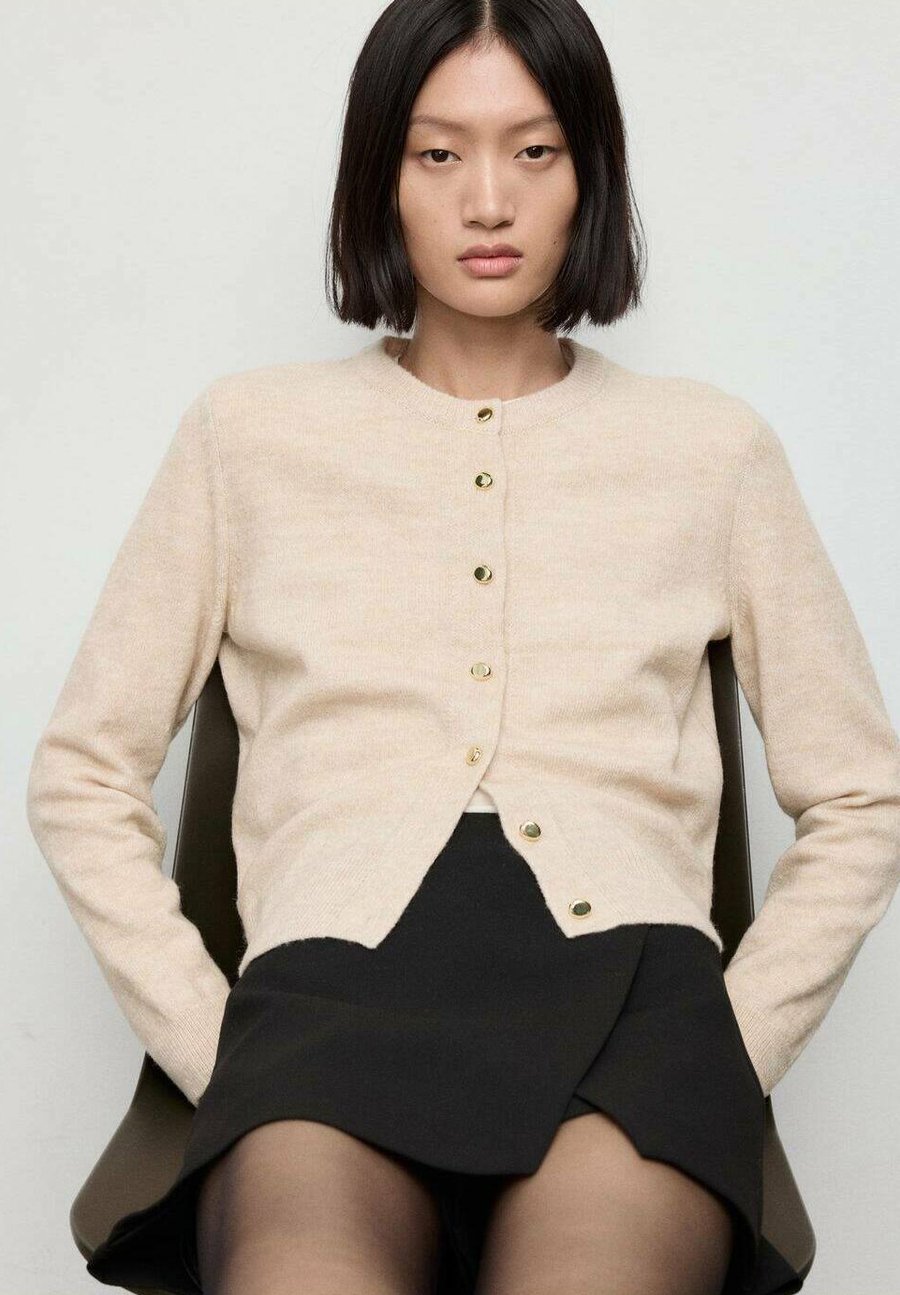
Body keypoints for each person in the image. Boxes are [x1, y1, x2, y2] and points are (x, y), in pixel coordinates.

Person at [26, 2, 900, 1293]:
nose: (489, 200)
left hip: (637, 1011)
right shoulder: (245, 437)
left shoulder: (711, 451)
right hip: (323, 1006)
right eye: (438, 154)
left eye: (535, 151)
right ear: (378, 176)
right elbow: (82, 773)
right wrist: (219, 1045)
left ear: (589, 173)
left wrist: (732, 1042)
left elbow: (862, 792)